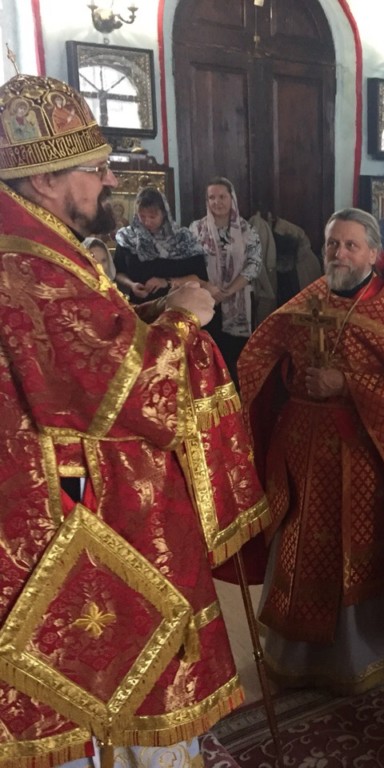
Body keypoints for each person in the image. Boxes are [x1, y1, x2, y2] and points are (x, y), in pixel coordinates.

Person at [0, 73, 268, 768]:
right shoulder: (29, 266)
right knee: (103, 670)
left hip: (52, 495)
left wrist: (149, 315)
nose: (109, 178)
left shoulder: (35, 247)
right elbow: (128, 394)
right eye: (94, 169)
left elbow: (87, 350)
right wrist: (184, 315)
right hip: (71, 509)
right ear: (44, 182)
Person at [238, 208, 384, 694]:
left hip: (360, 460)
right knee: (292, 545)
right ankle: (290, 655)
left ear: (374, 253)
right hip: (298, 453)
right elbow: (261, 356)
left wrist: (347, 384)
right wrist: (289, 380)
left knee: (353, 552)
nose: (339, 253)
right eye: (333, 243)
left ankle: (361, 659)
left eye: (352, 245)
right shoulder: (310, 298)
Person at [190, 176, 262, 382]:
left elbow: (254, 265)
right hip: (205, 299)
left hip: (237, 301)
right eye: (212, 197)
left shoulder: (248, 231)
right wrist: (210, 288)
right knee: (207, 358)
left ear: (232, 199)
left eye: (222, 196)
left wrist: (228, 292)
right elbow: (190, 264)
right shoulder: (196, 229)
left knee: (234, 360)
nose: (217, 202)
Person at [114, 186, 209, 304]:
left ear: (164, 213)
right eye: (142, 216)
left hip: (176, 307)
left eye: (152, 217)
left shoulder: (183, 239)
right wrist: (132, 285)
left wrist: (166, 282)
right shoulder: (127, 238)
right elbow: (118, 272)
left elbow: (199, 278)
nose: (147, 221)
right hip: (139, 308)